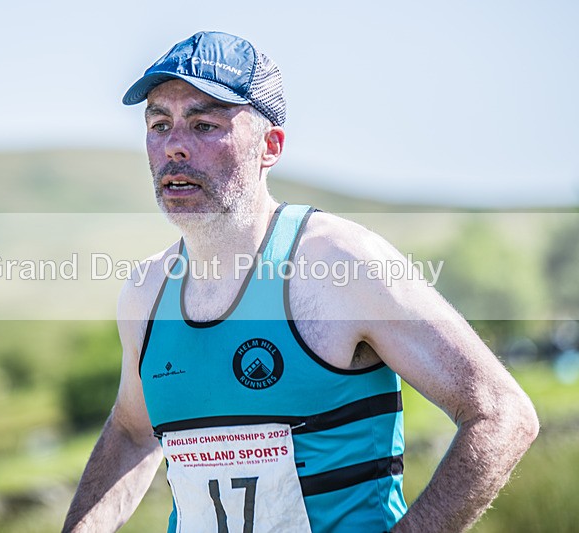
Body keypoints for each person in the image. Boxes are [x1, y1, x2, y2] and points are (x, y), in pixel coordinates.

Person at [62, 31, 538, 533]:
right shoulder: (146, 293)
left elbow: (502, 414)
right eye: (159, 124)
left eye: (203, 124)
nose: (175, 146)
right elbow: (134, 432)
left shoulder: (341, 263)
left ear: (270, 146)